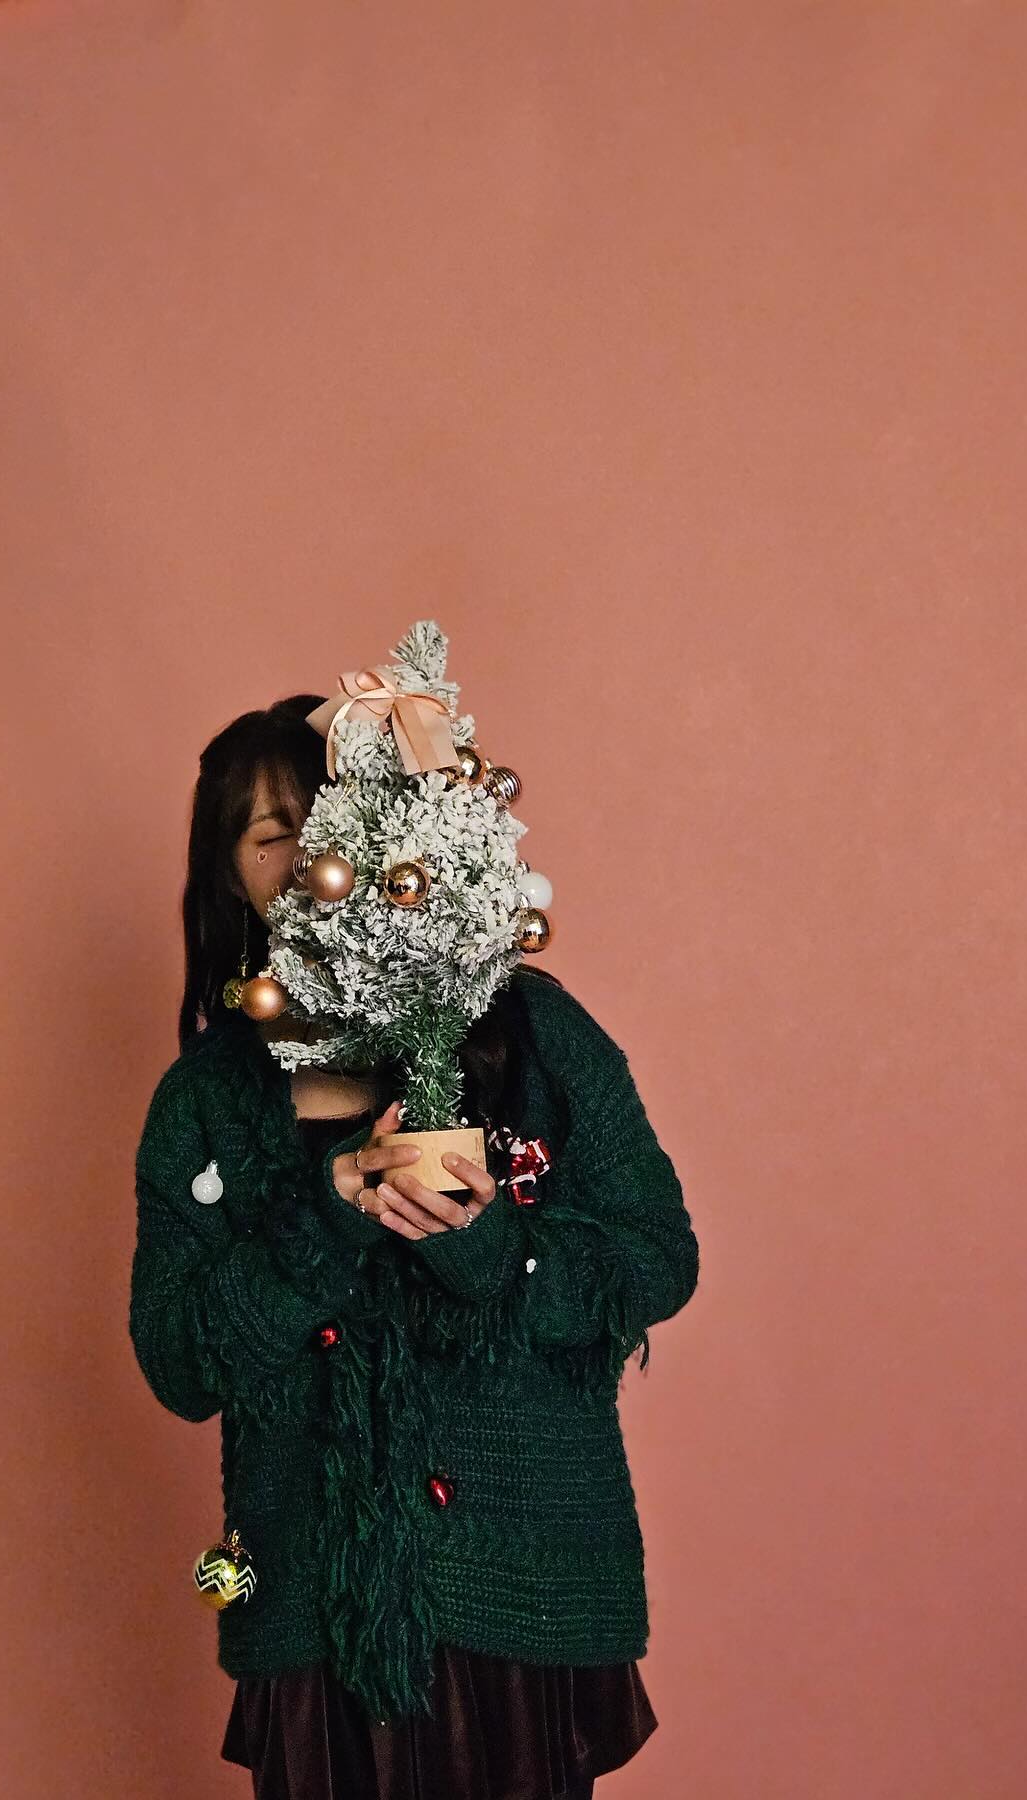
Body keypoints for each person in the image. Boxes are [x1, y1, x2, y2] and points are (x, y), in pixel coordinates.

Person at [129, 693, 700, 1800]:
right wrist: (321, 1217)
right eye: (272, 834)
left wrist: (494, 1244)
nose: (311, 857)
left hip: (525, 1589)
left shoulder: (535, 1034)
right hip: (314, 1602)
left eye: (328, 818)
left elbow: (658, 1259)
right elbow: (179, 1364)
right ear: (230, 876)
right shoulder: (205, 1101)